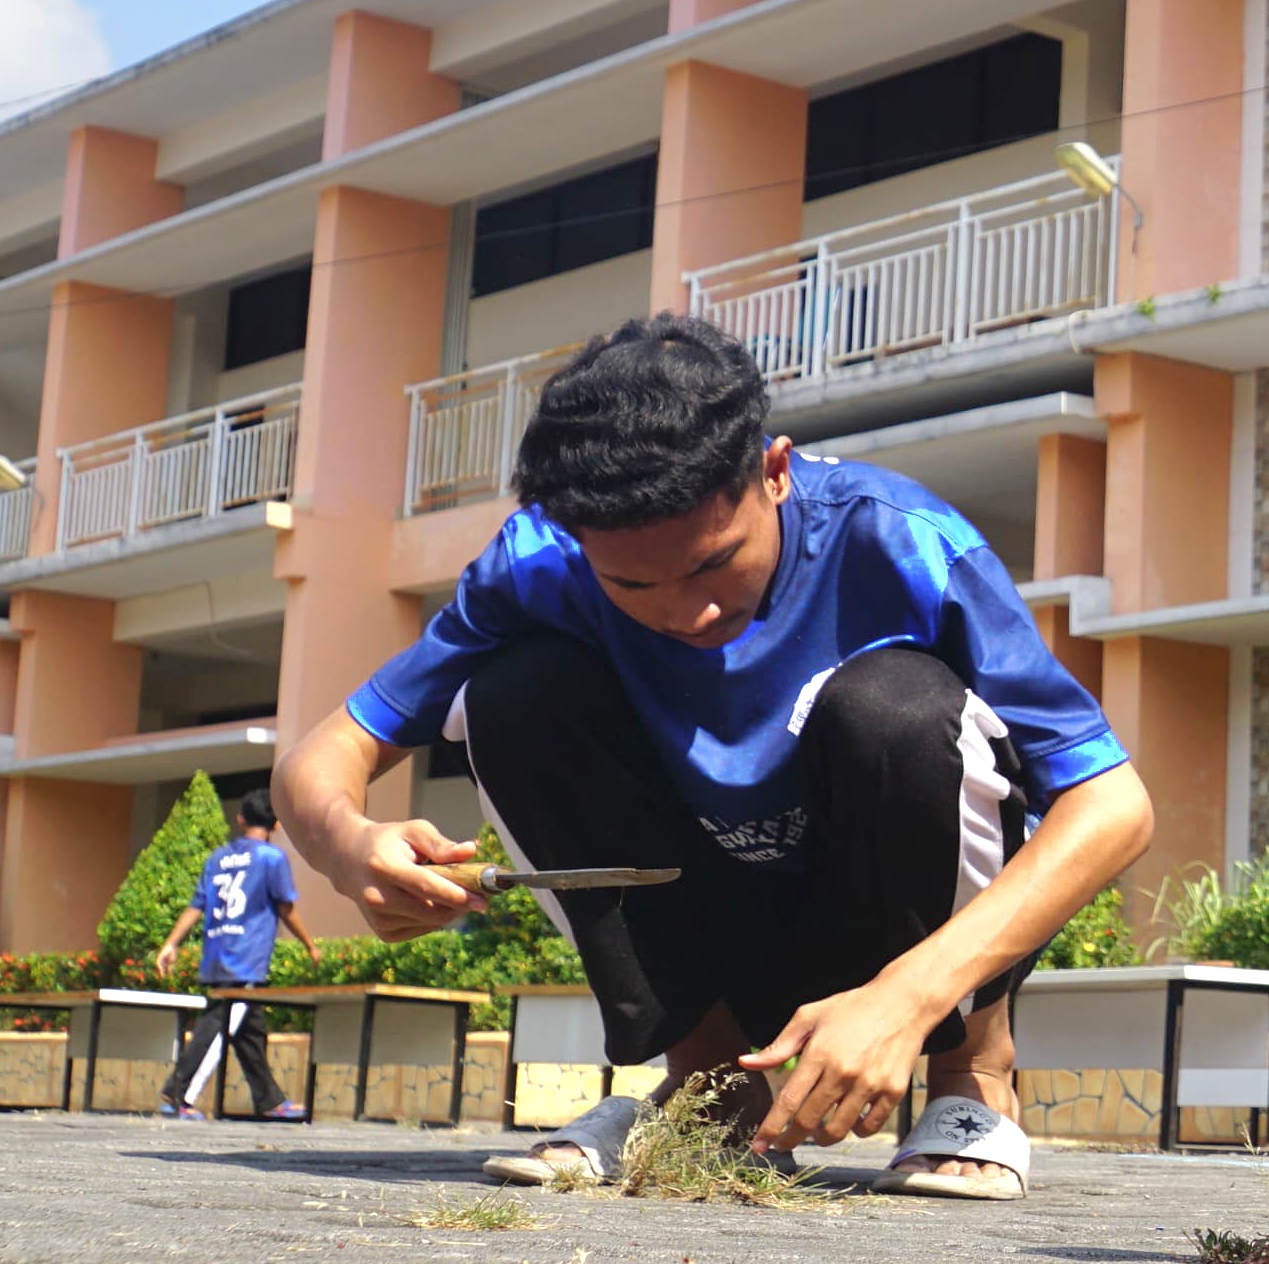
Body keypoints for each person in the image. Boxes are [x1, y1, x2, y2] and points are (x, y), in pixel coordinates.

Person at [271, 313, 1153, 1200]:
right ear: (574, 535)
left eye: (714, 566)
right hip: (710, 913)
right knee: (514, 696)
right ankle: (714, 1093)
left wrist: (912, 993)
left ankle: (975, 1077)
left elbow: (1114, 807)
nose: (686, 615)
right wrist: (349, 847)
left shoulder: (902, 542)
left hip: (900, 922)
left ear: (774, 471)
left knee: (896, 709)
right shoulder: (536, 564)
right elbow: (320, 760)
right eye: (633, 587)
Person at [152, 794, 313, 1121]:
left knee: (250, 1033)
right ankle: (178, 1094)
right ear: (277, 824)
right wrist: (310, 944)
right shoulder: (272, 858)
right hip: (245, 961)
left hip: (216, 956)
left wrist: (171, 943)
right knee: (217, 1029)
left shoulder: (218, 857)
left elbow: (197, 905)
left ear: (240, 820)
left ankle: (270, 1101)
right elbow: (285, 907)